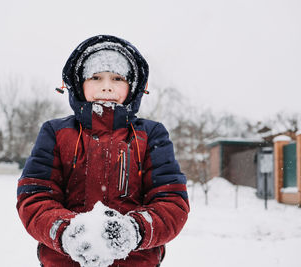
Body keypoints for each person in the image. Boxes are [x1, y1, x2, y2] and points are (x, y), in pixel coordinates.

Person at [17, 35, 189, 267]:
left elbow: (171, 201)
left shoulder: (151, 135)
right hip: (64, 262)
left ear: (133, 86)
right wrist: (68, 232)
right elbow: (34, 197)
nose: (106, 85)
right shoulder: (55, 133)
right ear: (79, 83)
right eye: (96, 77)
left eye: (117, 78)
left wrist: (133, 230)